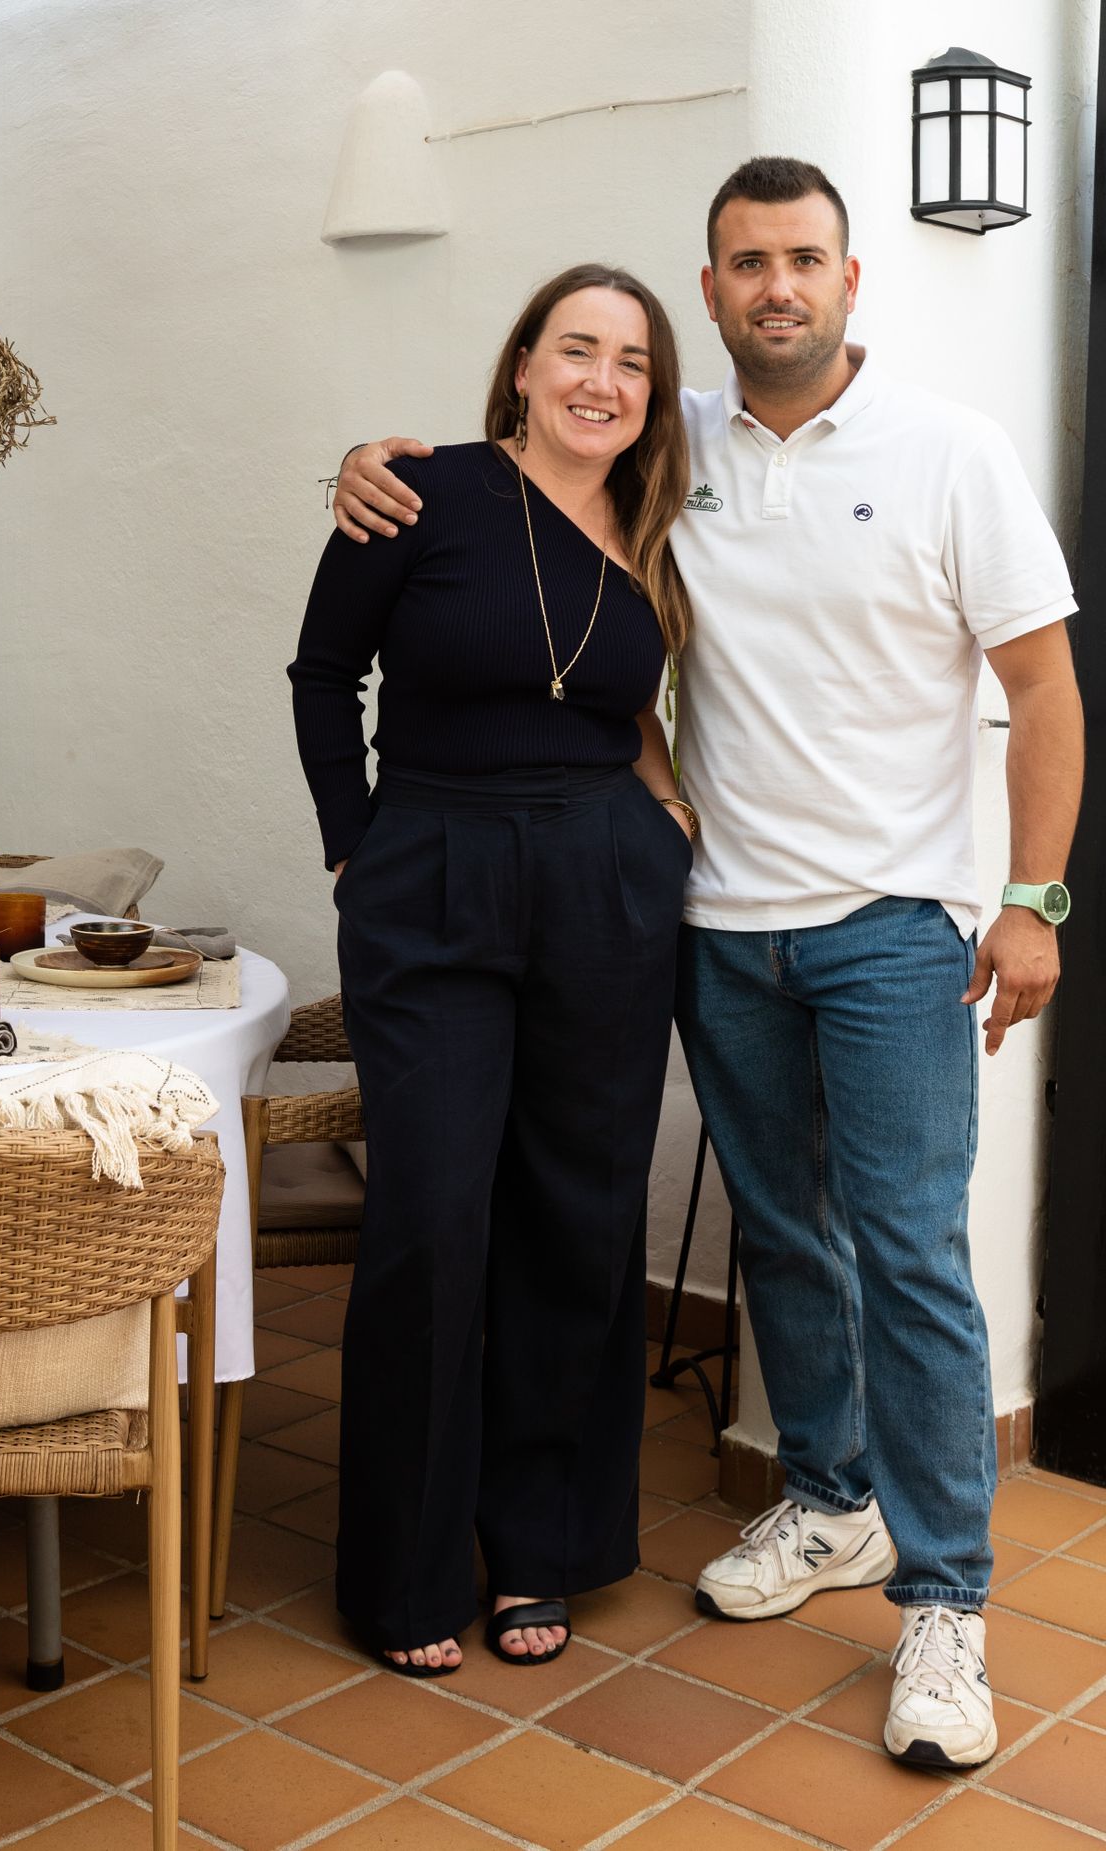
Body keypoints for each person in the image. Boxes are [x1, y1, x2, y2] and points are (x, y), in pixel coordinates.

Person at [328, 157, 1083, 1764]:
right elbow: (592, 668)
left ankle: (945, 1604)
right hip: (718, 926)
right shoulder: (685, 471)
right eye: (746, 264)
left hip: (890, 926)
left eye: (804, 259)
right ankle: (828, 1500)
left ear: (850, 279)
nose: (777, 287)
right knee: (784, 1247)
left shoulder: (944, 451)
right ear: (714, 287)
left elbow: (1044, 680)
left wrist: (1036, 899)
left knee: (909, 1257)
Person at [289, 264, 698, 1677]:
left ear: (653, 394)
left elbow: (631, 703)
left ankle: (543, 1549)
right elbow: (321, 671)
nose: (603, 379)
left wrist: (663, 816)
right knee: (430, 1217)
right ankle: (405, 1572)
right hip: (435, 874)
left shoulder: (661, 523)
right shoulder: (419, 493)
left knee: (577, 1220)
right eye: (577, 349)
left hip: (604, 878)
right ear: (522, 365)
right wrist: (357, 844)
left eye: (632, 361)